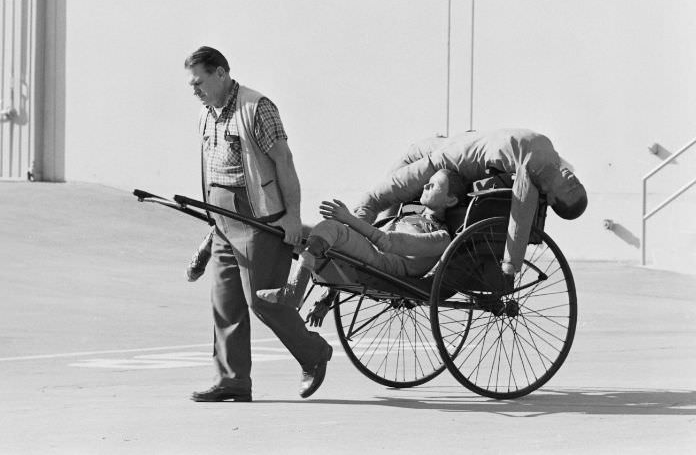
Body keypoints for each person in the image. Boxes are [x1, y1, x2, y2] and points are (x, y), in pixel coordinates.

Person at [184, 46, 332, 403]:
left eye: (199, 81)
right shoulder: (207, 114)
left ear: (221, 73)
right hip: (222, 221)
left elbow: (284, 162)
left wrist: (293, 218)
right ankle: (232, 380)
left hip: (259, 221)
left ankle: (313, 353)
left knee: (262, 301)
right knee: (225, 302)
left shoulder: (257, 108)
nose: (194, 89)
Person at [354, 128, 588, 277]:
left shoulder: (531, 171)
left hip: (439, 162)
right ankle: (361, 243)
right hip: (444, 145)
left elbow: (521, 214)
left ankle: (351, 246)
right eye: (576, 181)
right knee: (397, 178)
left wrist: (511, 263)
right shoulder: (553, 160)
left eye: (570, 188)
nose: (571, 179)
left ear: (553, 197)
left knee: (373, 199)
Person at [256, 169, 468, 309]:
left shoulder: (441, 238)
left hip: (383, 265)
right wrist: (328, 299)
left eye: (435, 185)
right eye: (427, 183)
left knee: (332, 228)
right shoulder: (409, 215)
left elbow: (388, 242)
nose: (426, 186)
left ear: (451, 200)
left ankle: (293, 292)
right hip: (368, 255)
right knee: (294, 229)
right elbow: (349, 256)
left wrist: (348, 218)